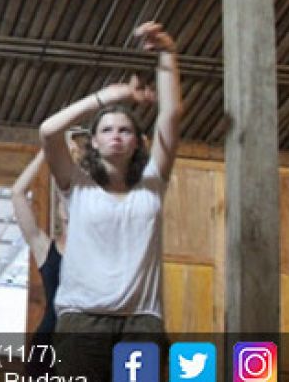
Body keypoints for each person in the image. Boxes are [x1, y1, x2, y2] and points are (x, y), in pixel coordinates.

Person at [40, 22, 182, 381]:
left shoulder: (153, 181)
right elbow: (48, 131)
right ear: (94, 142)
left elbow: (171, 116)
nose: (116, 135)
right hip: (81, 320)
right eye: (106, 130)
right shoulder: (77, 185)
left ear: (137, 141)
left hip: (141, 322)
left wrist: (167, 54)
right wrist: (106, 97)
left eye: (125, 130)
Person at [11, 151, 66, 376]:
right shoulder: (45, 247)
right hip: (48, 337)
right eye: (66, 201)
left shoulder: (99, 250)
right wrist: (46, 151)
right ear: (60, 209)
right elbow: (17, 194)